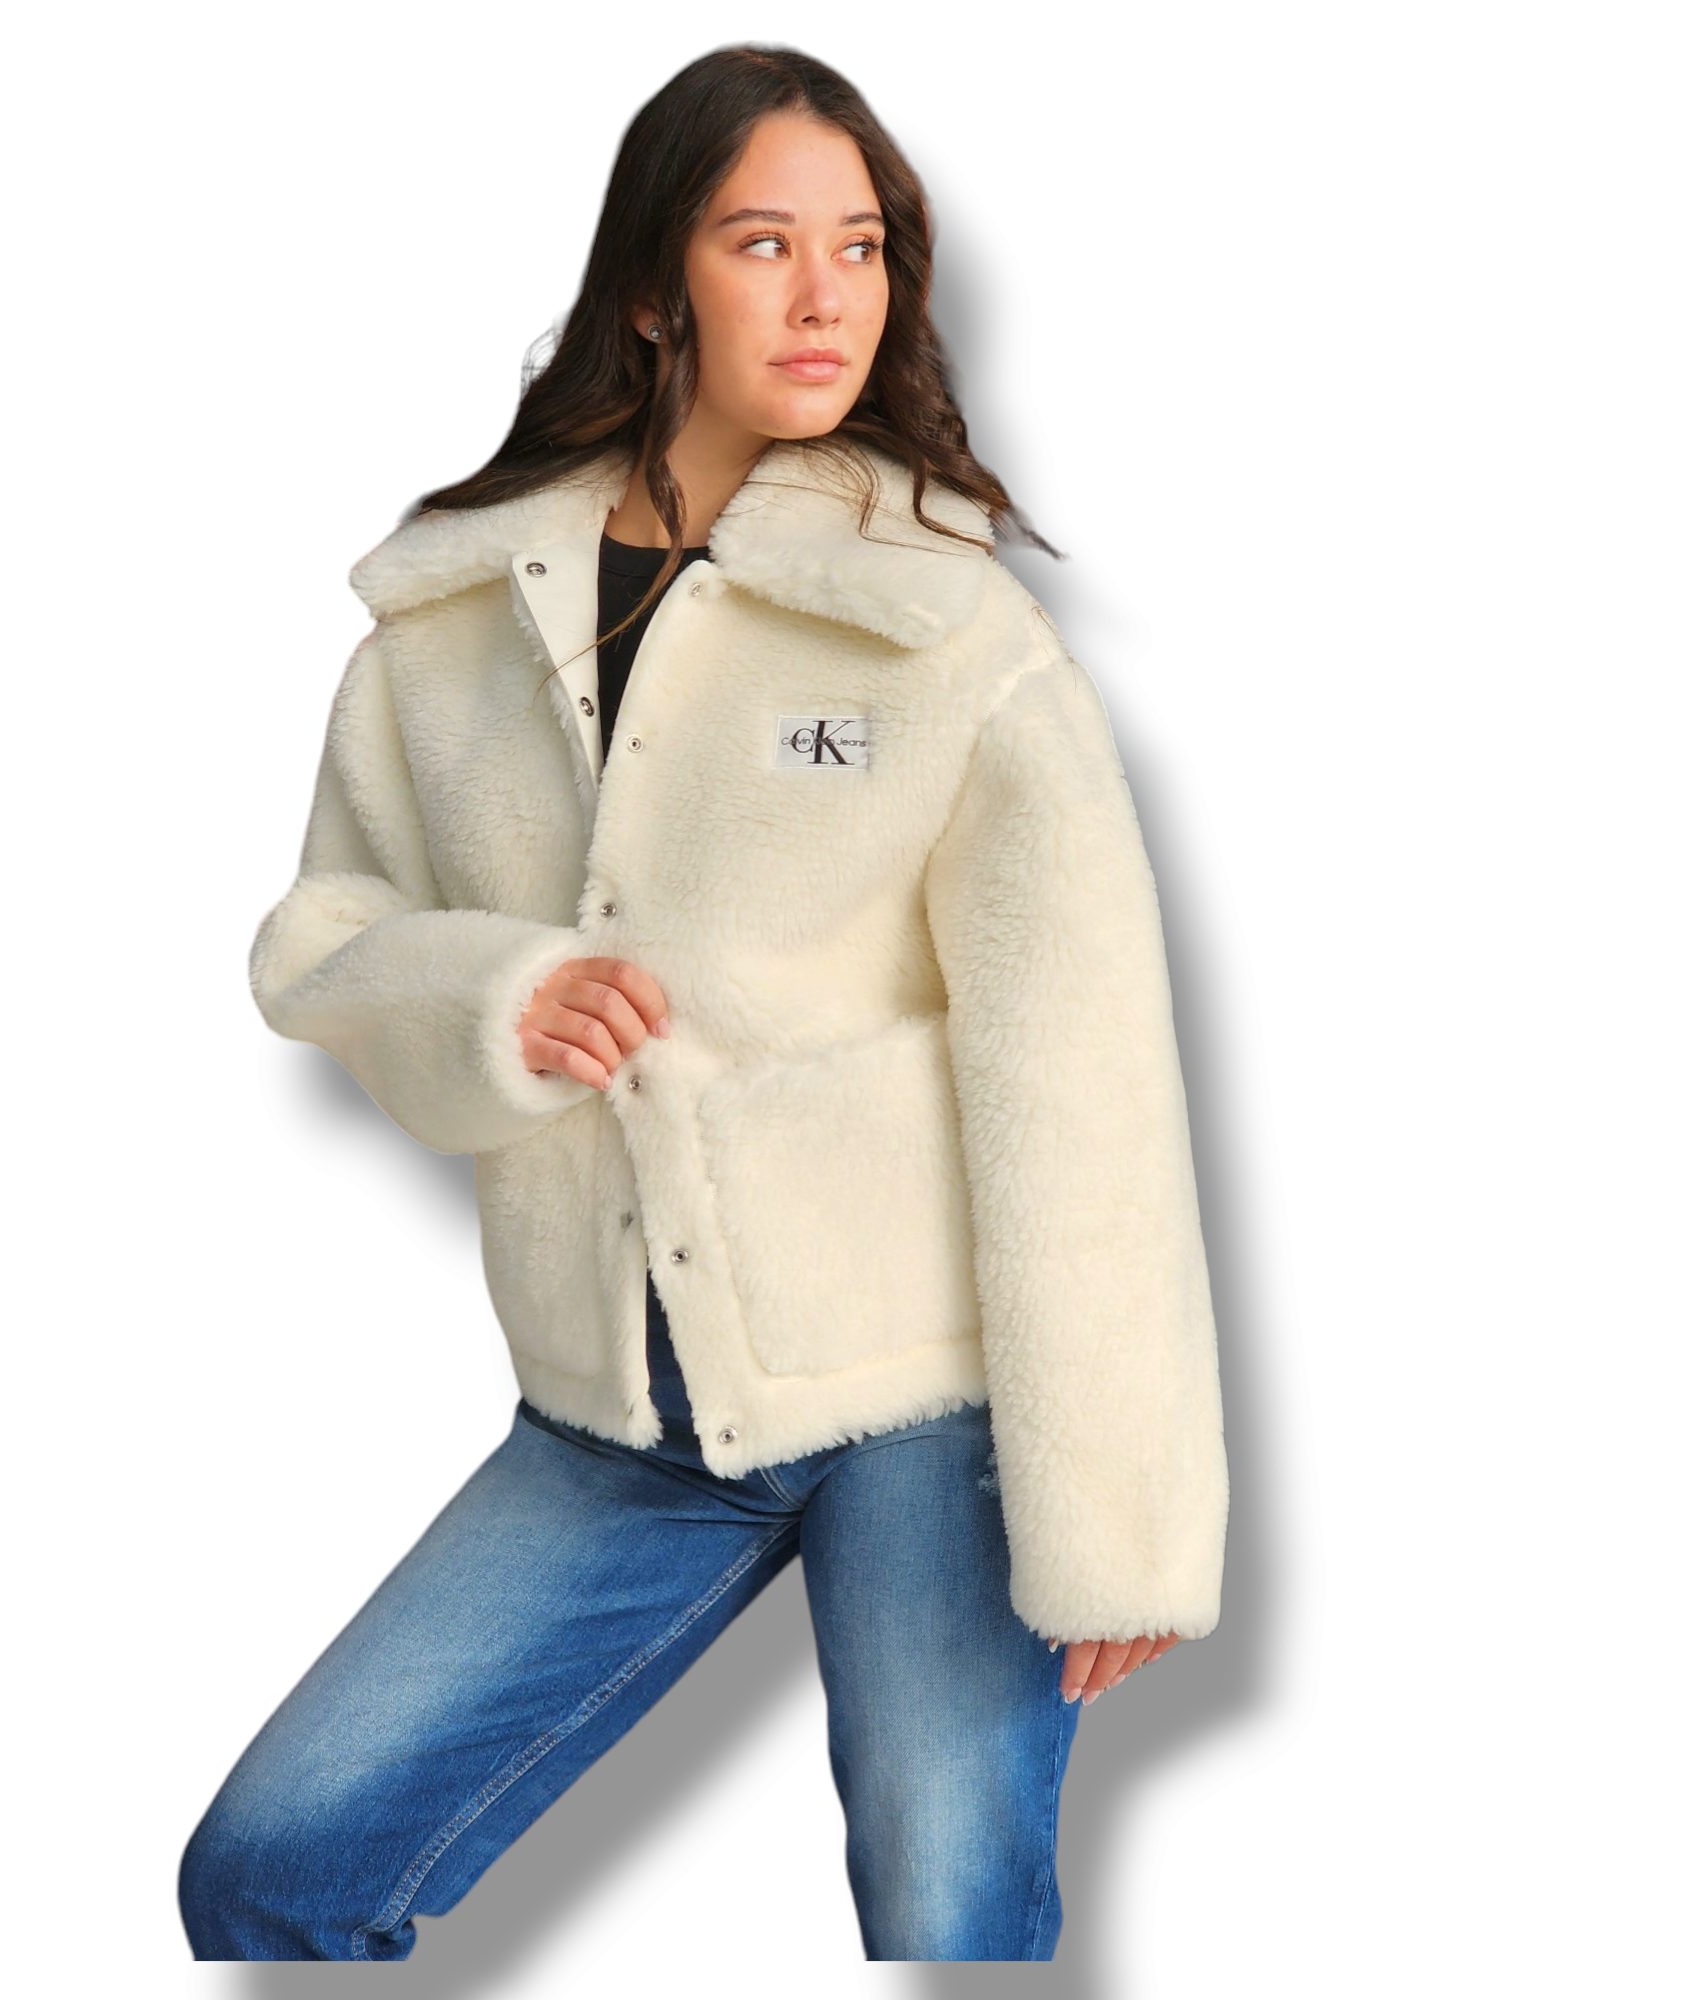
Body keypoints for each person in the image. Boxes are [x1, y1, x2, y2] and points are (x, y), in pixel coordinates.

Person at [179, 43, 1229, 1964]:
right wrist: (492, 996)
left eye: (862, 247)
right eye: (765, 243)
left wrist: (1123, 1513)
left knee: (947, 1921)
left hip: (932, 1408)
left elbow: (1079, 1077)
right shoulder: (450, 628)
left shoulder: (944, 627)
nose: (827, 297)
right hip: (615, 1406)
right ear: (658, 288)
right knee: (271, 1869)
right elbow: (326, 931)